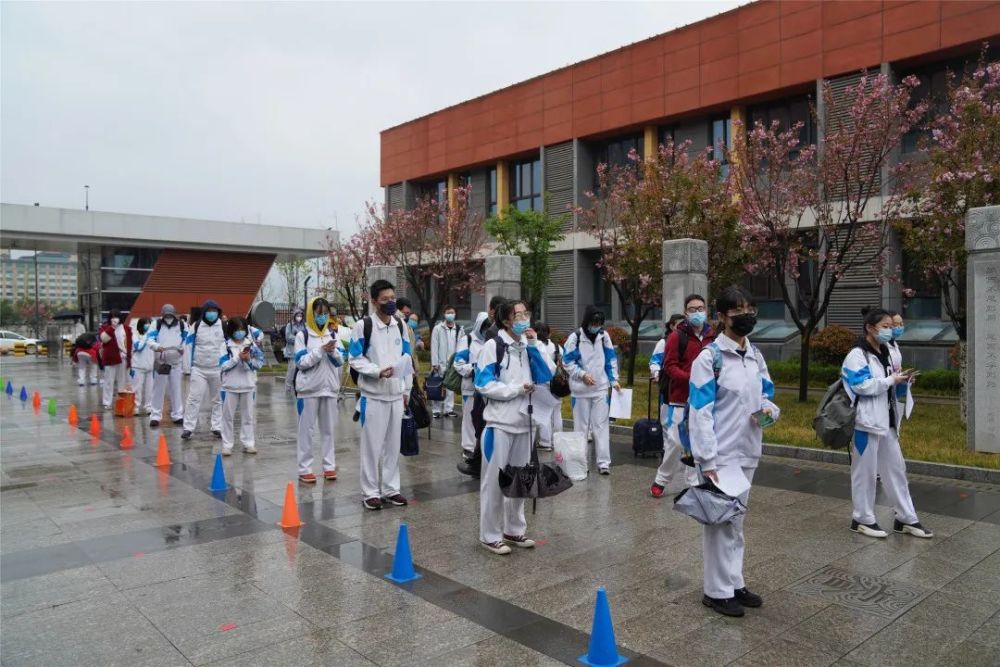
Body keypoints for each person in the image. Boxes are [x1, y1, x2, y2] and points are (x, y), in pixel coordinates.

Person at [689, 285, 780, 618]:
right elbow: (699, 411)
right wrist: (707, 460)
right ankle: (716, 591)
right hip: (720, 455)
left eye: (750, 308)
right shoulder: (709, 358)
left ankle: (734, 582)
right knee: (719, 524)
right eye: (738, 310)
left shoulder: (754, 354)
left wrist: (770, 409)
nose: (746, 315)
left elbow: (766, 391)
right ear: (722, 317)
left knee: (736, 522)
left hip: (747, 450)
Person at [842, 308, 932, 540]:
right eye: (885, 326)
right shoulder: (857, 355)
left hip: (889, 421)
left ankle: (906, 518)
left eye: (891, 327)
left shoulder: (889, 352)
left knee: (896, 471)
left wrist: (904, 381)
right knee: (865, 473)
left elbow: (891, 384)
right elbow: (861, 386)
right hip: (865, 424)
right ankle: (862, 518)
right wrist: (891, 379)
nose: (890, 330)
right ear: (870, 328)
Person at [476, 300, 555, 555]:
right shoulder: (493, 346)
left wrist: (533, 347)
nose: (523, 318)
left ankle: (514, 529)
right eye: (517, 315)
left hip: (525, 424)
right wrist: (516, 390)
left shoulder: (531, 345)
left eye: (526, 313)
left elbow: (548, 375)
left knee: (521, 480)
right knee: (494, 482)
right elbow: (483, 384)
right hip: (500, 424)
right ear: (506, 320)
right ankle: (489, 534)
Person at [349, 280, 413, 510]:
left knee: (392, 446)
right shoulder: (363, 326)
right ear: (374, 301)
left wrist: (406, 389)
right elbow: (355, 358)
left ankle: (391, 489)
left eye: (392, 298)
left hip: (395, 396)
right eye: (385, 299)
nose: (390, 303)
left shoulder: (400, 325)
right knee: (372, 446)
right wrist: (377, 372)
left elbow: (407, 358)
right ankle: (370, 492)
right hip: (373, 396)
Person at [649, 295, 715, 498]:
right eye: (693, 309)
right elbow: (669, 366)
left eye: (701, 308)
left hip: (704, 400)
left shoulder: (712, 336)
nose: (697, 312)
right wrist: (691, 378)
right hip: (679, 399)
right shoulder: (677, 336)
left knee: (700, 441)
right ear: (686, 313)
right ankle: (661, 479)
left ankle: (695, 482)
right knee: (676, 443)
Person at [562, 306, 620, 475]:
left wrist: (613, 379)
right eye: (593, 323)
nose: (596, 326)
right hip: (580, 391)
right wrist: (582, 375)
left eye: (599, 323)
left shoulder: (604, 336)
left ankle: (603, 463)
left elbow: (611, 358)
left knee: (601, 427)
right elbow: (567, 362)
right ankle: (581, 463)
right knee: (581, 429)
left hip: (600, 389)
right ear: (587, 321)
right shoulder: (575, 338)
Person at [293, 298, 343, 481]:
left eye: (325, 313)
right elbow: (300, 362)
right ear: (311, 315)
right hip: (308, 390)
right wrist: (320, 351)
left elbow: (341, 361)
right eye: (318, 314)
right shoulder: (303, 336)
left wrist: (332, 351)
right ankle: (304, 469)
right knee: (306, 430)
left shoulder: (333, 335)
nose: (322, 317)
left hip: (329, 389)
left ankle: (329, 466)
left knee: (328, 429)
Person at [458, 295, 507, 476]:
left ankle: (481, 464)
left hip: (489, 389)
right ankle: (476, 458)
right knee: (477, 421)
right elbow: (459, 362)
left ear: (493, 310)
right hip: (484, 387)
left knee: (483, 424)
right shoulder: (473, 338)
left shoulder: (493, 334)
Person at [218, 316, 265, 455]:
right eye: (237, 329)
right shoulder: (225, 346)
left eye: (242, 329)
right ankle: (227, 444)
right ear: (231, 330)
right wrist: (237, 358)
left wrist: (248, 359)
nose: (240, 332)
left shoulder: (251, 345)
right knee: (227, 417)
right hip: (229, 387)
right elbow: (223, 366)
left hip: (248, 386)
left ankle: (248, 443)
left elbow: (259, 364)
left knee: (248, 417)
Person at [181, 300, 226, 439]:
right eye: (209, 310)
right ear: (204, 312)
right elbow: (188, 346)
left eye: (214, 311)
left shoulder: (224, 326)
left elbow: (229, 346)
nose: (212, 313)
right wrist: (187, 368)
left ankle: (217, 427)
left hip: (217, 369)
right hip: (199, 369)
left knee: (218, 400)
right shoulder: (196, 325)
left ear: (218, 312)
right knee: (193, 399)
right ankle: (188, 428)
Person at [453, 311, 489, 460]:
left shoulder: (490, 341)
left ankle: (480, 447)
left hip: (486, 388)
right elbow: (458, 364)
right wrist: (475, 368)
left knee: (482, 419)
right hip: (470, 388)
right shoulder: (467, 340)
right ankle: (468, 447)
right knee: (469, 419)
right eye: (485, 327)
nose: (486, 330)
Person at [148, 304, 186, 427]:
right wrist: (156, 346)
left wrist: (183, 347)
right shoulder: (156, 324)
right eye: (166, 314)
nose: (168, 317)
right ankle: (155, 415)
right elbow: (149, 338)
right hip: (161, 362)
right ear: (163, 314)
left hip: (176, 362)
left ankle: (177, 415)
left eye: (171, 314)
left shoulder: (181, 324)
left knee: (176, 389)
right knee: (158, 389)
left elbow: (187, 339)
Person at [530, 322, 563, 451]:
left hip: (541, 383)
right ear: (549, 333)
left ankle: (545, 442)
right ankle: (557, 441)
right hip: (556, 384)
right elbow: (563, 364)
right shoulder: (557, 347)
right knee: (556, 413)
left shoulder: (535, 347)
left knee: (544, 413)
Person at [431, 304, 464, 418]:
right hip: (440, 362)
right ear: (444, 314)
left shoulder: (459, 329)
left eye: (452, 312)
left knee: (450, 385)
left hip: (452, 363)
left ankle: (448, 409)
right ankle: (436, 409)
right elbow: (434, 346)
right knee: (438, 385)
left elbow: (461, 346)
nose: (450, 314)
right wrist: (434, 363)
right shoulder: (438, 328)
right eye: (448, 312)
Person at [99, 309, 132, 410]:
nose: (114, 319)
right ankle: (107, 402)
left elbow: (129, 343)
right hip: (111, 358)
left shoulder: (126, 328)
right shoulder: (105, 328)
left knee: (122, 381)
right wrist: (111, 328)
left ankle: (121, 402)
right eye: (112, 317)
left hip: (123, 358)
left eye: (116, 316)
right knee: (109, 381)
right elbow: (103, 339)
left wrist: (130, 357)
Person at [131, 318, 156, 416]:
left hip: (150, 367)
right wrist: (147, 335)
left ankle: (148, 407)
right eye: (146, 323)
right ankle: (135, 407)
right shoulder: (135, 335)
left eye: (149, 323)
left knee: (150, 389)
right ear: (141, 325)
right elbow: (138, 347)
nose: (148, 325)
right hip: (138, 366)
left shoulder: (152, 336)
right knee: (137, 388)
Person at [284, 308, 306, 392]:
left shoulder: (304, 325)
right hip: (292, 352)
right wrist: (298, 337)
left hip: (301, 351)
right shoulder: (289, 325)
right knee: (292, 370)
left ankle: (297, 387)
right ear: (294, 316)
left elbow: (306, 336)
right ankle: (288, 387)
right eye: (297, 315)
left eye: (300, 315)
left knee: (300, 370)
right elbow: (288, 337)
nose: (299, 317)